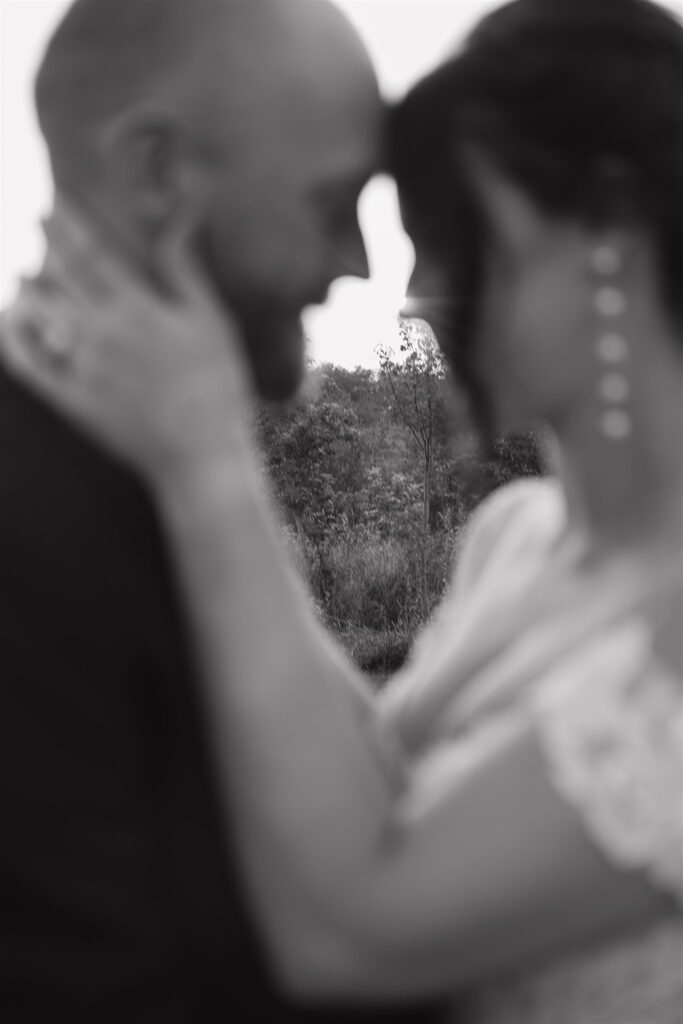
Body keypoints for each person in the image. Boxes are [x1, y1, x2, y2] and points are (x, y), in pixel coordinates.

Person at [3, 0, 682, 1023]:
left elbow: (353, 926)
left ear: (607, 237)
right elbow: (348, 778)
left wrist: (206, 459)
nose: (405, 286)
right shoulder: (513, 539)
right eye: (358, 217)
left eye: (458, 233)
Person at [0, 1, 443, 1022]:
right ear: (156, 173)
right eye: (333, 204)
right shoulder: (21, 529)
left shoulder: (183, 476)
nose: (361, 266)